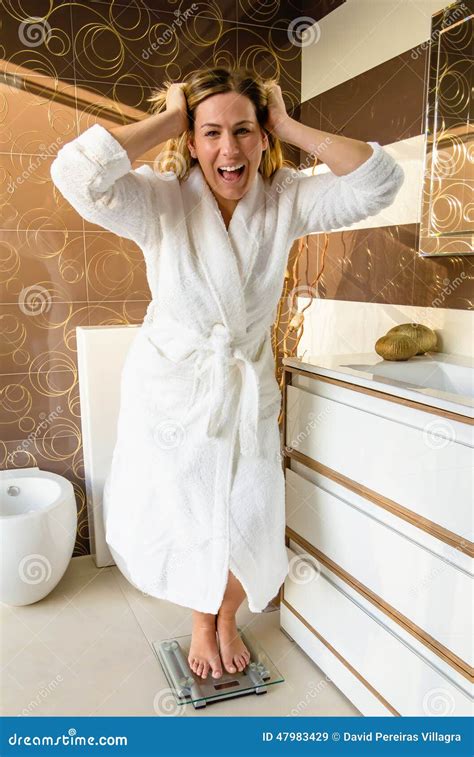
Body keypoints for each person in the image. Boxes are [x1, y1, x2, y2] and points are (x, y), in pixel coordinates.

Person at [50, 66, 404, 682]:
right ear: (191, 141)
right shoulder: (159, 200)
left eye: (244, 131)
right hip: (174, 389)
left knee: (249, 508)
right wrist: (171, 116)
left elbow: (379, 183)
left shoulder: (287, 198)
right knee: (188, 507)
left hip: (244, 385)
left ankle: (230, 612)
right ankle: (201, 618)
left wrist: (289, 124)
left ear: (262, 137)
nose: (229, 149)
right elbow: (75, 173)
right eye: (210, 133)